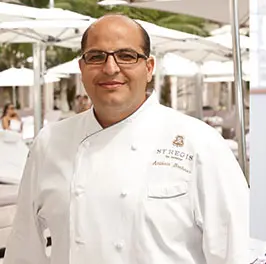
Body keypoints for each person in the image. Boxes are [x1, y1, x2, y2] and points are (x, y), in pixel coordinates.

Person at [4, 14, 250, 264]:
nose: (110, 68)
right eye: (96, 56)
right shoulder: (50, 142)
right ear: (82, 68)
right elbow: (24, 248)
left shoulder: (199, 142)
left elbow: (235, 251)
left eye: (126, 56)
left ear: (149, 67)